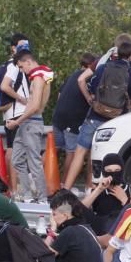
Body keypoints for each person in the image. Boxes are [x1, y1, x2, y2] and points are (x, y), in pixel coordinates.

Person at [62, 40, 131, 190]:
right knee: (103, 156)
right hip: (115, 122)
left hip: (95, 116)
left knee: (80, 152)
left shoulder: (102, 68)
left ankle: (65, 189)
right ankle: (94, 191)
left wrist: (91, 99)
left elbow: (91, 87)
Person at [34, 189, 103, 262]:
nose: (52, 217)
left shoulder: (69, 232)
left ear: (65, 215)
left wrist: (52, 231)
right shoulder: (87, 228)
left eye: (54, 214)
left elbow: (41, 255)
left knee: (24, 261)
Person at [3, 48, 54, 203]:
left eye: (21, 66)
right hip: (27, 123)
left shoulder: (38, 78)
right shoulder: (40, 76)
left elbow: (35, 106)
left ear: (28, 61)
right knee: (17, 159)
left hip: (31, 122)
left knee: (34, 162)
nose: (22, 70)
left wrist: (16, 122)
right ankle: (26, 195)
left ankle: (42, 198)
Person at [52, 52, 98, 190]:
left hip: (58, 116)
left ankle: (42, 179)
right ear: (91, 65)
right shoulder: (90, 79)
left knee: (54, 149)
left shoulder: (73, 75)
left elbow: (60, 95)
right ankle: (65, 185)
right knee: (71, 152)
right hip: (73, 119)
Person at [0, 33, 30, 194]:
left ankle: (13, 188)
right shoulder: (14, 65)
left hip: (12, 113)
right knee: (15, 151)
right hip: (17, 113)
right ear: (13, 48)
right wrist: (22, 99)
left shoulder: (9, 65)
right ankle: (14, 189)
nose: (25, 48)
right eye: (22, 45)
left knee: (13, 149)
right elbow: (4, 86)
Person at [82, 152, 130, 236]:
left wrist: (125, 200)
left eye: (117, 170)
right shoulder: (98, 190)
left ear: (122, 170)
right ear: (104, 172)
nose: (113, 174)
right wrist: (99, 190)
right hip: (101, 231)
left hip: (123, 232)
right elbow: (80, 210)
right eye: (109, 171)